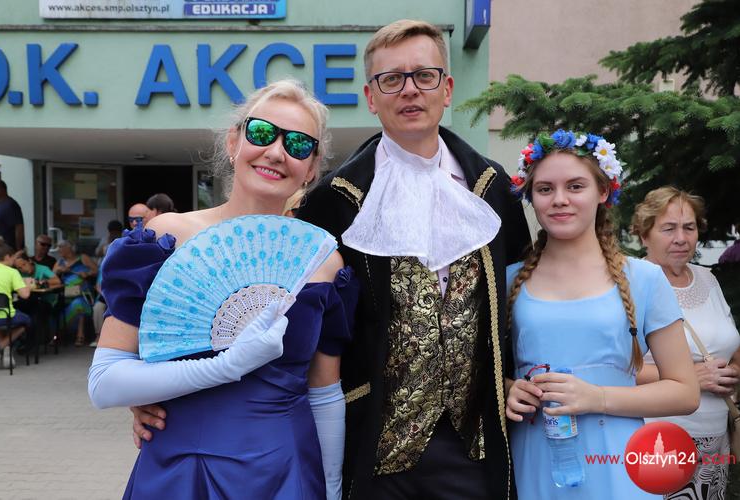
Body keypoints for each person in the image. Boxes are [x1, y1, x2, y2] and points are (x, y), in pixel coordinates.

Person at [132, 20, 529, 499]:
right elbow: (284, 320)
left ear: (446, 89)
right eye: (391, 79)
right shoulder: (332, 200)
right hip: (372, 442)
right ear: (370, 96)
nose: (409, 90)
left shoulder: (493, 188)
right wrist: (154, 392)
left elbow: (521, 297)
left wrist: (518, 377)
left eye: (424, 76)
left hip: (475, 441)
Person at [88, 79, 358, 499]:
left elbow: (324, 395)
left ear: (312, 167)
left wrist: (333, 488)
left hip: (285, 474)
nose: (276, 152)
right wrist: (225, 366)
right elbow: (105, 381)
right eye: (262, 133)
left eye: (298, 144)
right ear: (234, 141)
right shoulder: (166, 238)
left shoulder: (323, 261)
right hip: (182, 472)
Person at [504, 131, 700, 500]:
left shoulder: (644, 279)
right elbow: (481, 374)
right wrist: (509, 389)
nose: (559, 199)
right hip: (536, 461)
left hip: (616, 461)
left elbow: (685, 392)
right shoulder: (508, 280)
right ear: (531, 197)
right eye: (545, 189)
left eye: (575, 186)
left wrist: (598, 397)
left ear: (604, 191)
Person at [632, 187, 740, 500]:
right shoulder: (632, 283)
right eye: (668, 229)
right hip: (660, 439)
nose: (681, 238)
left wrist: (732, 372)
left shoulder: (707, 278)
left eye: (689, 228)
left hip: (716, 438)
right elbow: (617, 368)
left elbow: (731, 345)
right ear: (644, 235)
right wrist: (691, 377)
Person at [0, 244, 32, 369]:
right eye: (13, 257)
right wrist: (28, 284)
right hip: (6, 315)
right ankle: (0, 346)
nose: (14, 260)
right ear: (7, 257)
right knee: (26, 321)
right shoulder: (12, 272)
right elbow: (25, 295)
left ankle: (5, 348)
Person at [53, 240, 97, 347]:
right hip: (66, 294)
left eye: (61, 247)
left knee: (79, 303)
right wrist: (58, 270)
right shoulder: (60, 262)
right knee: (54, 304)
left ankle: (79, 335)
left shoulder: (82, 258)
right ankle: (57, 334)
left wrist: (87, 273)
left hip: (83, 293)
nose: (59, 250)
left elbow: (96, 270)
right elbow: (51, 275)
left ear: (69, 248)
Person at [0, 179, 24, 251]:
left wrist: (18, 248)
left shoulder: (10, 205)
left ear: (1, 190)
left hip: (6, 248)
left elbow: (19, 227)